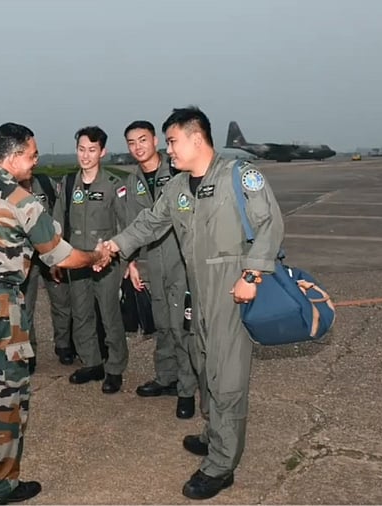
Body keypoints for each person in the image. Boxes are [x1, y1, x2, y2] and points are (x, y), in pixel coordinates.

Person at [103, 106, 285, 500]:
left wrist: (252, 276)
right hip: (197, 288)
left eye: (171, 141)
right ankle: (213, 431)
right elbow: (150, 222)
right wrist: (116, 246)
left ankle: (222, 465)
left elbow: (270, 224)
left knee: (227, 376)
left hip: (232, 287)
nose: (168, 150)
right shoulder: (179, 186)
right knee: (203, 364)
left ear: (196, 138)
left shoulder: (238, 175)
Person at [0, 122, 110, 504]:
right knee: (6, 397)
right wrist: (97, 255)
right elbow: (60, 255)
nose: (35, 161)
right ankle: (1, 486)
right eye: (31, 155)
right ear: (12, 158)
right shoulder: (22, 200)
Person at [121, 120, 197, 418]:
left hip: (180, 261)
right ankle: (167, 378)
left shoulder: (179, 172)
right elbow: (132, 226)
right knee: (163, 323)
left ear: (155, 141)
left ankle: (188, 389)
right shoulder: (131, 182)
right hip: (152, 262)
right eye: (131, 142)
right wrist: (132, 264)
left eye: (143, 139)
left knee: (183, 328)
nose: (138, 147)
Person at [52, 126, 129, 393]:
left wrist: (123, 259)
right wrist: (55, 258)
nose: (86, 156)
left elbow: (125, 225)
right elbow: (57, 223)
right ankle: (92, 362)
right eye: (82, 149)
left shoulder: (113, 186)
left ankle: (115, 367)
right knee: (81, 313)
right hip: (76, 260)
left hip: (106, 262)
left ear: (102, 152)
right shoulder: (67, 183)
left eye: (92, 150)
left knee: (109, 315)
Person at [18, 172, 75, 371]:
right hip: (25, 255)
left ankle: (64, 345)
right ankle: (28, 352)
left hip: (49, 249)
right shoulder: (9, 187)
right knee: (25, 306)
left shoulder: (45, 183)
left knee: (61, 300)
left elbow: (58, 211)